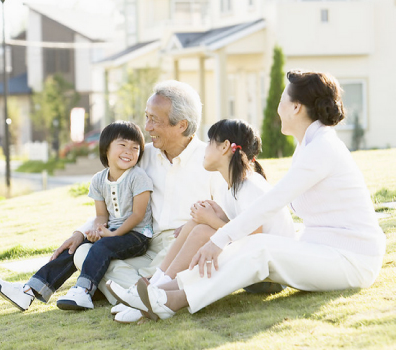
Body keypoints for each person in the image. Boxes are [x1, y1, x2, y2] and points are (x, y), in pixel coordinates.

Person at [129, 70, 386, 321]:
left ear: (296, 107)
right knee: (254, 246)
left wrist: (219, 239)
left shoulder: (322, 147)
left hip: (353, 260)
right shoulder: (308, 146)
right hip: (323, 251)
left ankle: (173, 299)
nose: (278, 107)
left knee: (258, 246)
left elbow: (272, 202)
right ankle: (162, 291)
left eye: (283, 100)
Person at [105, 119, 295, 320]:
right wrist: (206, 216)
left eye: (211, 141)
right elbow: (237, 226)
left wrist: (211, 220)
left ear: (224, 147)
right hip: (251, 265)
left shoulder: (249, 185)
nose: (206, 147)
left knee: (204, 230)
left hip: (270, 274)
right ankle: (153, 287)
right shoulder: (230, 185)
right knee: (198, 224)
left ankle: (154, 292)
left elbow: (253, 240)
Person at [73, 80, 224, 322]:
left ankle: (133, 291)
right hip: (142, 242)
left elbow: (226, 217)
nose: (147, 127)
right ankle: (144, 294)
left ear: (181, 125)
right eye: (146, 117)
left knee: (103, 267)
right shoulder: (142, 156)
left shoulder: (210, 160)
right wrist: (82, 231)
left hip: (180, 245)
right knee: (83, 253)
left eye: (154, 120)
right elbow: (113, 206)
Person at [0, 121, 153, 311]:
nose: (129, 151)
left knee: (102, 246)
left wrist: (113, 234)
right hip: (113, 233)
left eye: (135, 148)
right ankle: (29, 291)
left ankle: (84, 291)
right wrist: (97, 230)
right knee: (75, 246)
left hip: (137, 235)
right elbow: (101, 216)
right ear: (106, 149)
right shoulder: (98, 180)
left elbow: (138, 214)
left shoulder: (138, 177)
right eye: (123, 145)